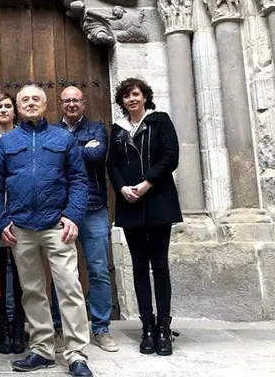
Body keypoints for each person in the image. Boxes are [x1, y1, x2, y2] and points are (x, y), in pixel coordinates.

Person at [0, 85, 93, 377]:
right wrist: (1, 221)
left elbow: (78, 181)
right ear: (18, 107)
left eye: (36, 99)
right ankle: (42, 350)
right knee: (32, 291)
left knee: (69, 289)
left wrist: (73, 215)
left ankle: (76, 353)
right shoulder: (8, 142)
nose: (31, 103)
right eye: (25, 100)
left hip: (56, 227)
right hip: (21, 227)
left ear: (46, 105)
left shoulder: (63, 139)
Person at [106, 77, 182, 356]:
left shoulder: (159, 121)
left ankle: (164, 328)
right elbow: (112, 164)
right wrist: (122, 188)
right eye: (126, 96)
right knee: (139, 265)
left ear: (144, 96)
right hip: (130, 203)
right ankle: (146, 327)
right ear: (122, 101)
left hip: (158, 200)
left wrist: (147, 183)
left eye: (135, 94)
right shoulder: (118, 129)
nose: (131, 99)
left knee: (159, 265)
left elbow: (171, 156)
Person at [49, 86, 118, 353]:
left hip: (93, 208)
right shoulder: (53, 132)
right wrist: (81, 148)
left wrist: (67, 149)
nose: (71, 105)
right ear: (60, 103)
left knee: (99, 270)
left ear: (84, 103)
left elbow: (97, 155)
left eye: (76, 100)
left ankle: (100, 329)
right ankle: (60, 328)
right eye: (67, 101)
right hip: (62, 211)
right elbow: (55, 161)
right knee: (61, 273)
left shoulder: (97, 129)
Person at [0, 93, 26, 354]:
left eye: (7, 106)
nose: (3, 110)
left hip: (22, 212)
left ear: (15, 111)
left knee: (24, 273)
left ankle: (20, 326)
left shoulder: (24, 136)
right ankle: (2, 326)